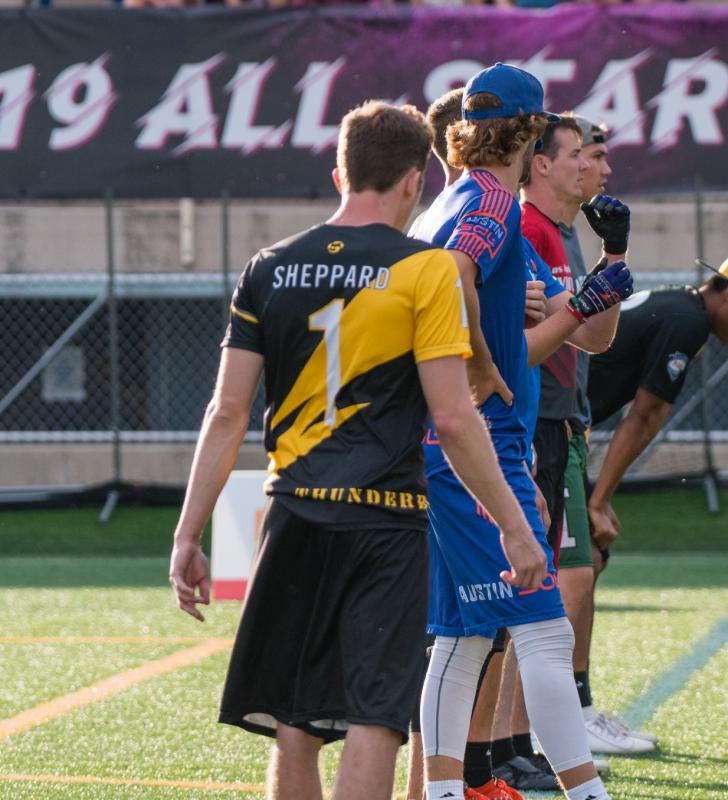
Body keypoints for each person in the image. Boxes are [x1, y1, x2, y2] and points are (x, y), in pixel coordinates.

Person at [167, 100, 546, 800]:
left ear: (338, 174)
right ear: (414, 181)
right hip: (386, 521)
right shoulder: (424, 271)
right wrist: (514, 526)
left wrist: (188, 534)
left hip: (294, 513)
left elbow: (226, 412)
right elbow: (453, 418)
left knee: (295, 720)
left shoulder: (269, 268)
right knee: (376, 717)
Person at [409, 63, 630, 800]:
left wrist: (591, 288)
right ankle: (587, 793)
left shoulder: (452, 200)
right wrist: (476, 357)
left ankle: (444, 794)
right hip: (483, 441)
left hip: (457, 443)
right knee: (544, 631)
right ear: (531, 133)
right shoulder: (495, 202)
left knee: (462, 640)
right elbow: (455, 271)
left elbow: (577, 328)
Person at [551, 115, 658, 756]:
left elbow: (593, 336)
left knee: (572, 576)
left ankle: (560, 719)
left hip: (563, 425)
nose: (604, 168)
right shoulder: (525, 227)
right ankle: (547, 727)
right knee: (553, 585)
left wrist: (612, 258)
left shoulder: (567, 233)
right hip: (530, 429)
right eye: (590, 153)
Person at [587, 246, 728, 547]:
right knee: (585, 554)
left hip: (551, 418)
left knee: (587, 552)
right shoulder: (689, 322)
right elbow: (645, 417)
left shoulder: (679, 303)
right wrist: (599, 502)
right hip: (547, 422)